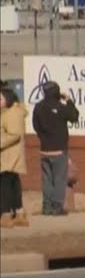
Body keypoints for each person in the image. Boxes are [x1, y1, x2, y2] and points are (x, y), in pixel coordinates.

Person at [32, 81, 79, 216]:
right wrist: (69, 101)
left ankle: (46, 207)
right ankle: (57, 207)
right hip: (59, 149)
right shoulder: (61, 107)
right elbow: (74, 117)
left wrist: (43, 137)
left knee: (47, 180)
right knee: (59, 179)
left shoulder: (38, 107)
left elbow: (36, 126)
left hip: (44, 149)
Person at [1, 88, 28, 228]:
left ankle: (5, 214)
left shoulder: (11, 114)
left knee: (5, 186)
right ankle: (19, 213)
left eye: (0, 99)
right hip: (12, 155)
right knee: (13, 184)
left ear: (8, 99)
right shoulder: (13, 112)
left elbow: (14, 134)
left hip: (8, 156)